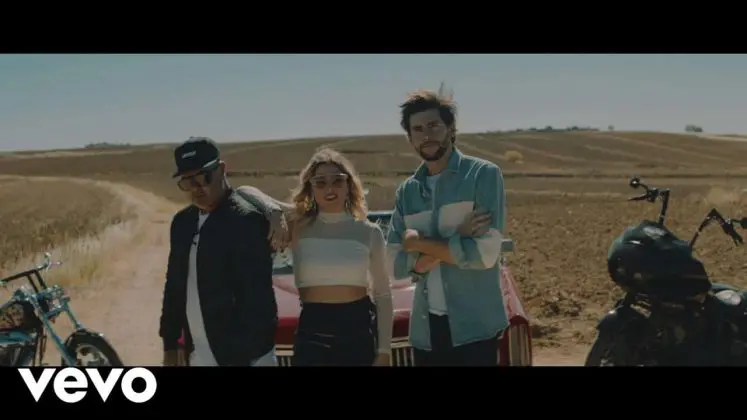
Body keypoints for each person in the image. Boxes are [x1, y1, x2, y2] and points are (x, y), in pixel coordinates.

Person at [235, 148, 394, 366]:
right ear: (310, 187)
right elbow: (244, 191)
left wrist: (384, 350)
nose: (329, 188)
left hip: (357, 335)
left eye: (337, 181)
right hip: (312, 336)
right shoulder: (297, 224)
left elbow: (383, 294)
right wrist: (274, 212)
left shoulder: (369, 232)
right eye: (320, 182)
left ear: (349, 184)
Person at [387, 89, 508, 366]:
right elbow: (394, 265)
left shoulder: (483, 175)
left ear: (451, 128)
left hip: (476, 329)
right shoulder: (407, 192)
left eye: (434, 126)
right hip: (427, 332)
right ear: (410, 137)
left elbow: (485, 255)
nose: (426, 135)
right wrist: (458, 237)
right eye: (418, 129)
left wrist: (418, 246)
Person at [160, 136, 287, 367]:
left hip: (247, 359)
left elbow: (258, 302)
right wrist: (170, 344)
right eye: (187, 182)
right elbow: (175, 287)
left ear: (221, 170)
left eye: (203, 178)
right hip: (198, 356)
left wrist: (242, 355)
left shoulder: (246, 220)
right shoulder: (182, 223)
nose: (196, 188)